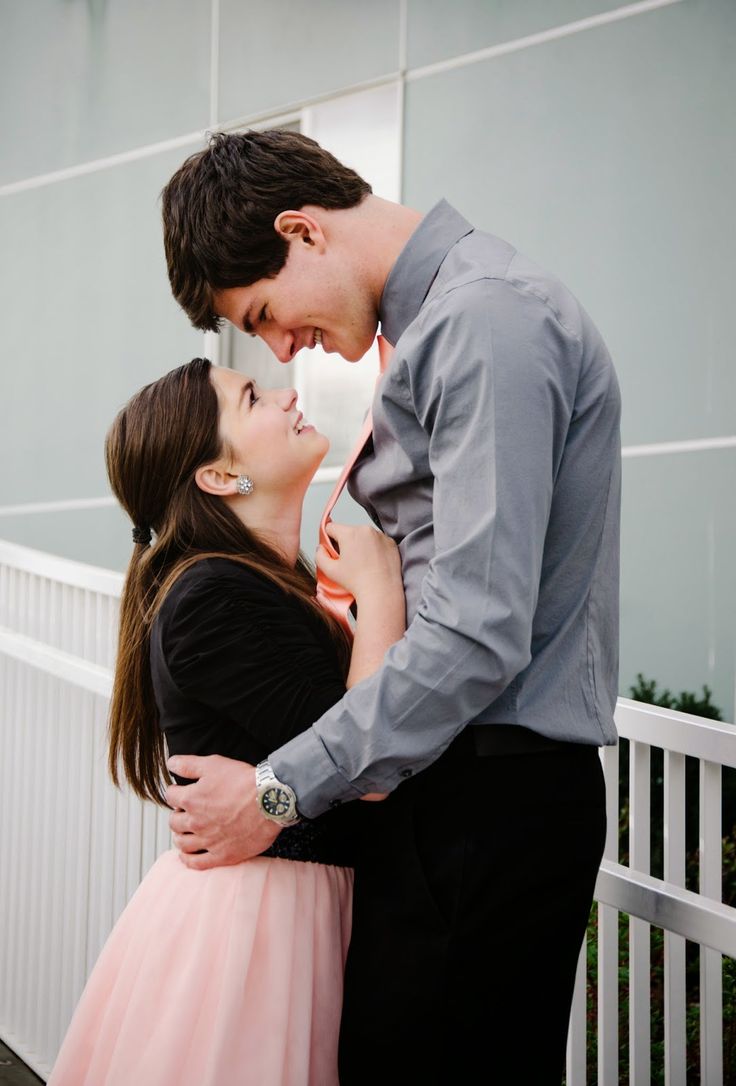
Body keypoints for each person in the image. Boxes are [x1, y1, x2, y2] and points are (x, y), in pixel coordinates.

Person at [161, 129, 622, 1085]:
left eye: (266, 315)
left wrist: (276, 793)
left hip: (490, 799)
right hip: (458, 799)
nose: (286, 349)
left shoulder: (483, 322)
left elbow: (475, 633)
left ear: (303, 232)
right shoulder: (445, 326)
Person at [47, 357, 405, 1086]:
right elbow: (364, 763)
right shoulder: (211, 594)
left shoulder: (260, 581)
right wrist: (383, 590)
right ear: (220, 477)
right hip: (254, 937)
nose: (288, 393)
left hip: (285, 916)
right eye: (252, 397)